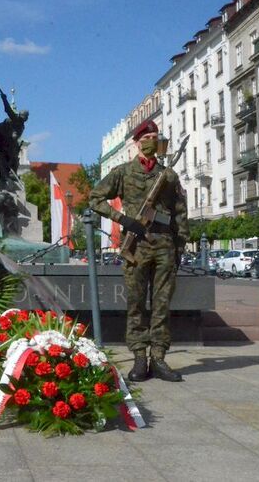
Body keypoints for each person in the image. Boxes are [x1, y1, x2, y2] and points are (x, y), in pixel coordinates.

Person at [88, 119, 189, 382]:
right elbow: (95, 198)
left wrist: (180, 246)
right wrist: (122, 219)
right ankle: (139, 358)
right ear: (137, 143)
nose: (151, 142)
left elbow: (180, 212)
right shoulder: (123, 172)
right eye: (146, 139)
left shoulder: (168, 175)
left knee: (161, 304)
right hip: (136, 246)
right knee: (135, 303)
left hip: (165, 246)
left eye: (155, 138)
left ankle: (159, 358)